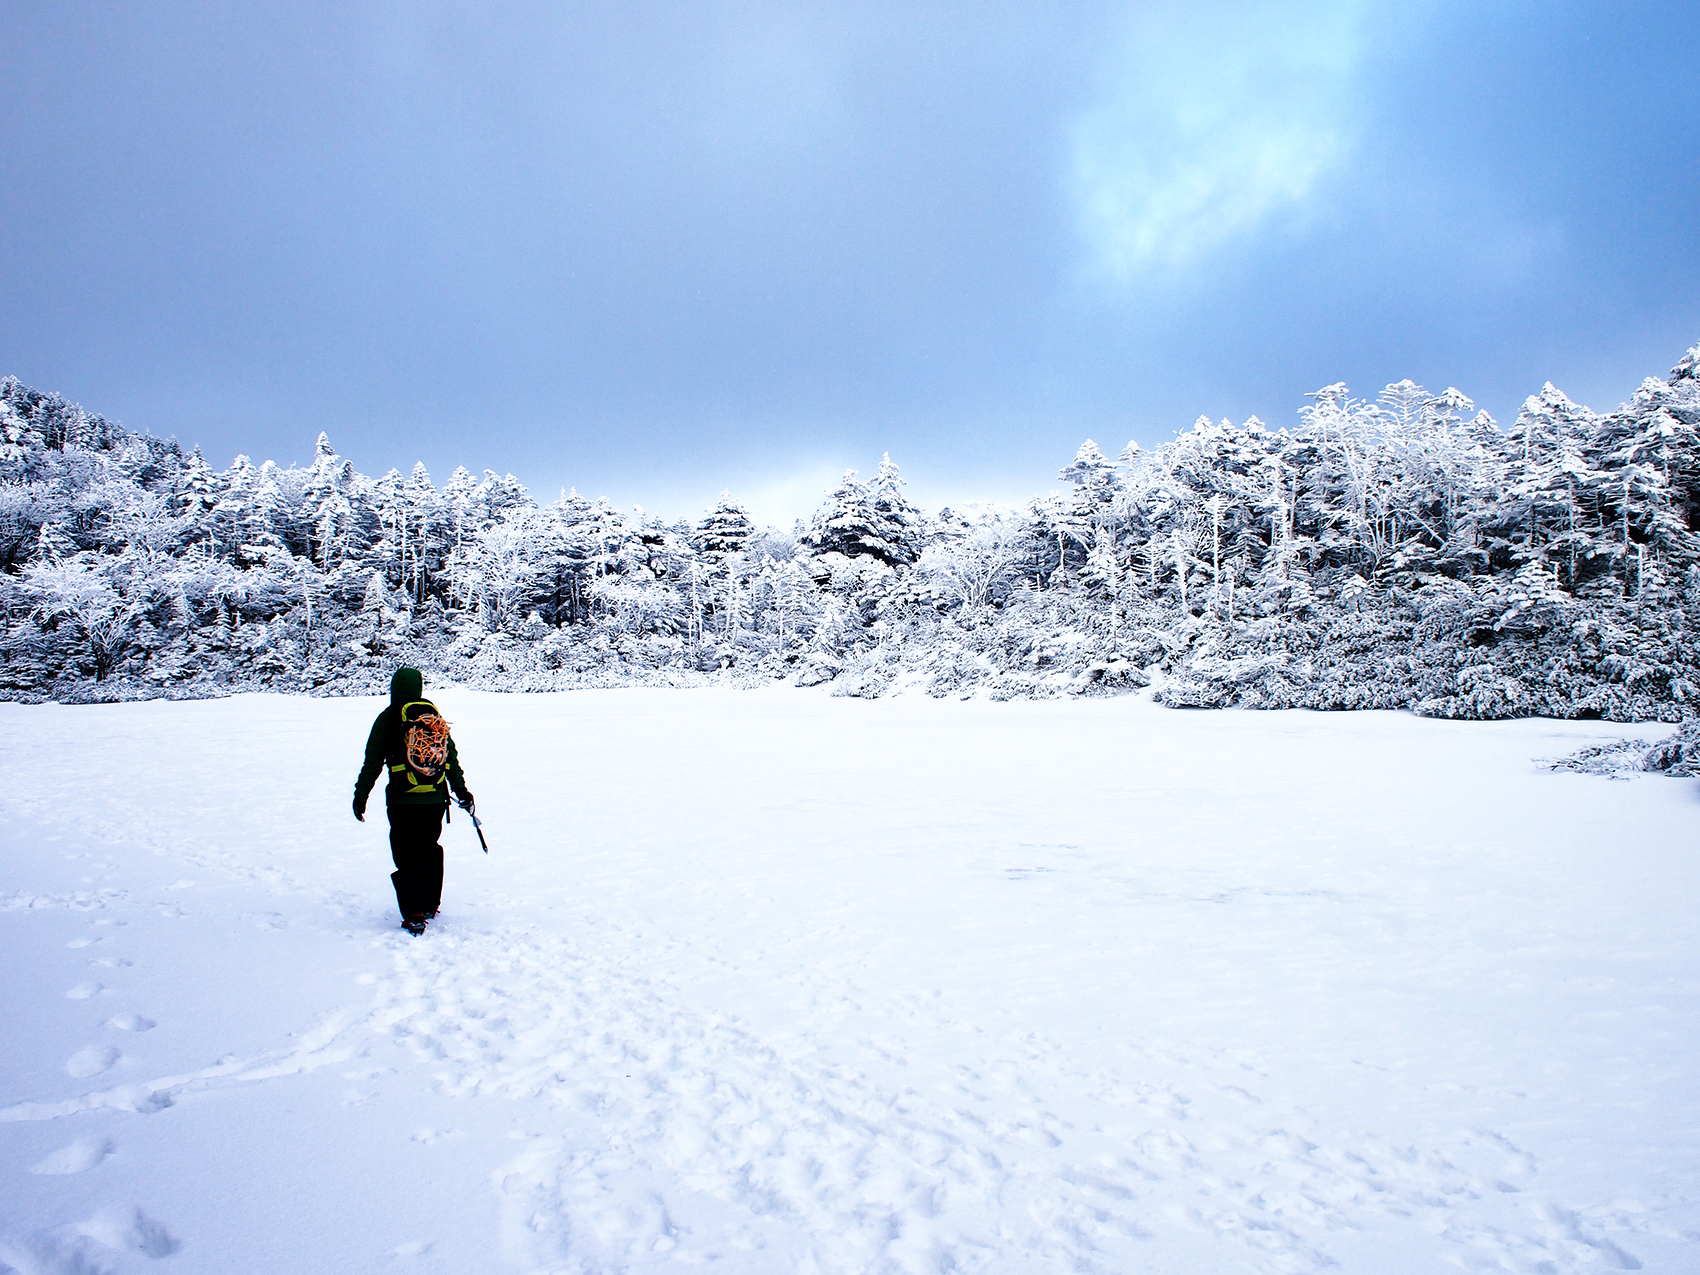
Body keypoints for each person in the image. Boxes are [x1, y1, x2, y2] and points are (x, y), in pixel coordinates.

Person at [353, 667, 474, 935]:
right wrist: (462, 791)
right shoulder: (432, 717)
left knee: (406, 852)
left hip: (402, 799)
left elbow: (372, 762)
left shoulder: (387, 719)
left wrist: (360, 796)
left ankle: (414, 913)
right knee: (430, 847)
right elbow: (450, 758)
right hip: (435, 798)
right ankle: (430, 904)